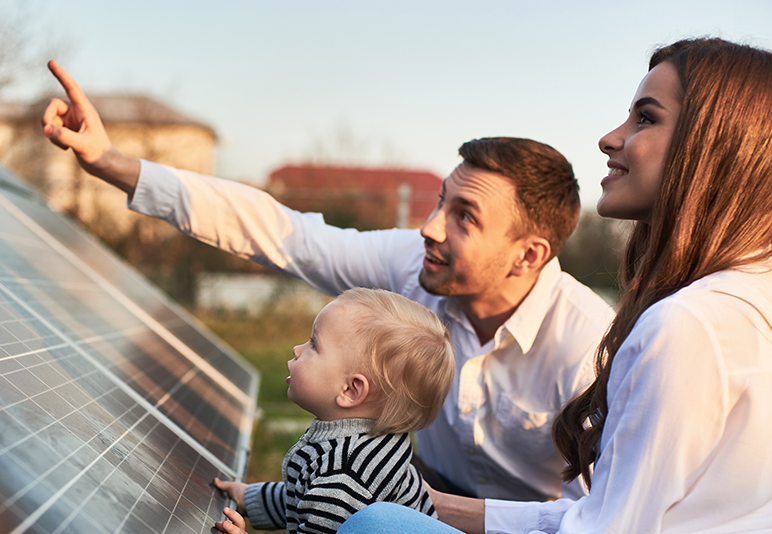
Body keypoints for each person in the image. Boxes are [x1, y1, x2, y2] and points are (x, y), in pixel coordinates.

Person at [41, 62, 614, 502]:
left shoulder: (590, 347)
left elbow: (601, 519)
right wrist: (113, 163)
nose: (430, 226)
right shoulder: (416, 265)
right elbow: (281, 233)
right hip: (419, 498)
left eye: (465, 216)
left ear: (527, 255)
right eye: (442, 201)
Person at [338, 37, 772, 533]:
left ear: (713, 146)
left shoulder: (686, 325)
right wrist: (436, 506)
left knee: (374, 526)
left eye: (645, 118)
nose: (609, 138)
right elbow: (607, 513)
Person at [209, 287, 454, 534]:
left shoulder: (344, 478)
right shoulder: (365, 443)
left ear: (350, 390)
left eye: (314, 344)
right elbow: (306, 494)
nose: (297, 348)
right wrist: (250, 498)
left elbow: (323, 499)